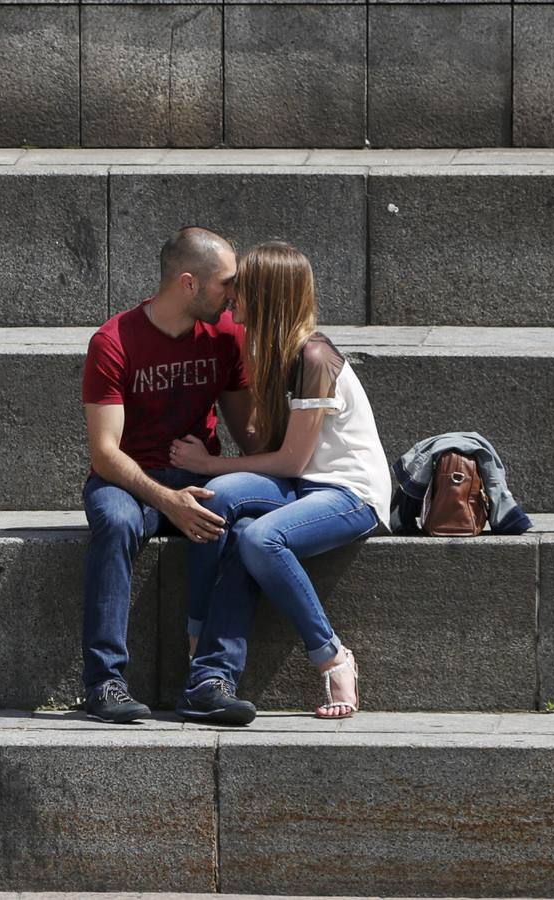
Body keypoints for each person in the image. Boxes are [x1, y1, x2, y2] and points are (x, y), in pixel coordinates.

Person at [168, 241, 391, 725]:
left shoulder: (315, 357)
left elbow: (290, 460)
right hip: (303, 486)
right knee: (216, 501)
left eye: (241, 288)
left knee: (259, 537)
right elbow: (267, 453)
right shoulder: (271, 353)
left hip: (349, 493)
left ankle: (331, 655)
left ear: (267, 294)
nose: (230, 298)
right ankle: (203, 650)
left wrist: (206, 463)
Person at [79, 226, 258, 723]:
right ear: (188, 283)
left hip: (199, 476)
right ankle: (104, 684)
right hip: (127, 481)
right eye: (227, 282)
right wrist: (166, 500)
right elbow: (104, 452)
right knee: (114, 523)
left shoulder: (226, 336)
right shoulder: (114, 341)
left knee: (246, 528)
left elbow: (249, 433)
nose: (235, 294)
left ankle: (209, 680)